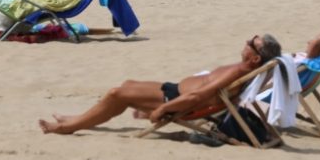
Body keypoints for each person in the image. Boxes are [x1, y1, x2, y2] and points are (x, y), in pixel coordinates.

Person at [38, 34, 283, 135]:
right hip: (174, 89)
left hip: (174, 99)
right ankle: (77, 118)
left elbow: (197, 98)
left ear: (255, 58)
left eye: (252, 42)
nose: (247, 41)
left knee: (117, 93)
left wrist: (162, 110)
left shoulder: (238, 71)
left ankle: (69, 127)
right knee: (127, 84)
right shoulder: (245, 69)